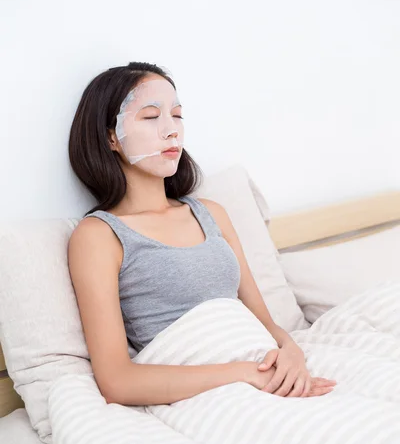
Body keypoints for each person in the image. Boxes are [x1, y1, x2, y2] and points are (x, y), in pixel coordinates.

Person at [68, 61, 335, 406]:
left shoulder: (210, 214)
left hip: (262, 370)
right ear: (110, 137)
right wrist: (245, 373)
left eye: (177, 116)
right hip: (208, 395)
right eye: (151, 117)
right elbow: (118, 381)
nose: (172, 131)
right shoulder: (99, 236)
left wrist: (292, 355)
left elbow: (267, 324)